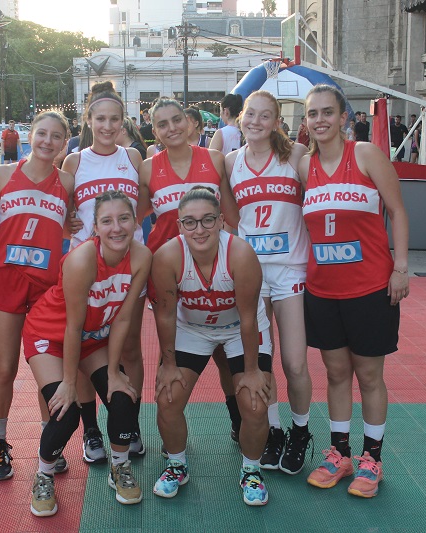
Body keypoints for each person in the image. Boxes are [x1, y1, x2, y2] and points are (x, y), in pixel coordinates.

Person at [298, 84, 409, 498]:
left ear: (345, 117)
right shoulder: (302, 166)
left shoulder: (364, 154)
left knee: (369, 375)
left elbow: (397, 210)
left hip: (370, 287)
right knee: (336, 372)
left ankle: (373, 458)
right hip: (323, 291)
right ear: (305, 121)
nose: (320, 120)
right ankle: (340, 453)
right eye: (313, 114)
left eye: (328, 112)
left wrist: (401, 268)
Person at [23, 190, 152, 516]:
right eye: (106, 221)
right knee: (66, 412)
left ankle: (119, 467)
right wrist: (69, 382)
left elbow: (122, 317)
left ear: (135, 221)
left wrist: (112, 373)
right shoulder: (81, 260)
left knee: (123, 398)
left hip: (93, 339)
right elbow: (71, 327)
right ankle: (44, 474)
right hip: (50, 335)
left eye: (123, 218)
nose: (116, 228)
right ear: (95, 227)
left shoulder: (141, 256)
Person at [151, 186, 272, 506]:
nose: (199, 229)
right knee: (167, 396)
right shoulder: (167, 256)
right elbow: (164, 316)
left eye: (207, 220)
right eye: (190, 222)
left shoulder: (241, 254)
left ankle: (252, 470)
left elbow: (248, 318)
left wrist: (251, 371)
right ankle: (177, 464)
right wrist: (168, 364)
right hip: (193, 329)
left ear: (221, 221)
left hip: (239, 330)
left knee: (256, 403)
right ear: (179, 225)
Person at [137, 97, 242, 443]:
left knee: (225, 354)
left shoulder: (214, 160)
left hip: (213, 270)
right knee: (172, 346)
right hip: (167, 274)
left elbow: (230, 217)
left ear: (191, 122)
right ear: (154, 132)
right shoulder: (149, 168)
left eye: (177, 120)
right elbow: (134, 217)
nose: (172, 128)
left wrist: (236, 264)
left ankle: (238, 419)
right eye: (163, 124)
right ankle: (169, 437)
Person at [222, 90, 314, 474]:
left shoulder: (295, 156)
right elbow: (228, 217)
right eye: (250, 115)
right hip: (251, 274)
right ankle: (273, 430)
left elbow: (322, 199)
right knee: (260, 360)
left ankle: (300, 431)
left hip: (290, 269)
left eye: (265, 116)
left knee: (294, 363)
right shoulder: (230, 162)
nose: (255, 122)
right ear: (240, 117)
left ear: (277, 122)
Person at [0, 111, 77, 481]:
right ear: (30, 136)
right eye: (42, 133)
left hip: (46, 288)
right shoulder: (0, 176)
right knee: (4, 368)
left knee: (46, 373)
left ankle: (48, 443)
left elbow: (71, 225)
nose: (47, 141)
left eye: (56, 136)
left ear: (64, 143)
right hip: (5, 283)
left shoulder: (67, 181)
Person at [61, 80, 147, 460]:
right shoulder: (75, 161)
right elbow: (63, 210)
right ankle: (92, 431)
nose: (108, 126)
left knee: (129, 347)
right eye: (101, 119)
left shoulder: (132, 158)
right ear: (89, 120)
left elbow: (142, 207)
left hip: (127, 267)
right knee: (83, 345)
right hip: (86, 269)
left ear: (123, 122)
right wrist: (69, 226)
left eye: (114, 119)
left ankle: (130, 423)